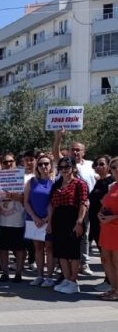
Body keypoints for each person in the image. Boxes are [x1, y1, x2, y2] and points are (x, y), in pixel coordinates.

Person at [52, 129, 95, 273]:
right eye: (72, 149)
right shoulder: (63, 168)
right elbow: (55, 154)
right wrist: (58, 138)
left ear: (84, 152)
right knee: (64, 242)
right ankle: (64, 271)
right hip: (62, 212)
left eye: (78, 150)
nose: (75, 152)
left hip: (83, 208)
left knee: (83, 236)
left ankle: (84, 263)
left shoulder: (90, 165)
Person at [47, 156, 89, 294]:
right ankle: (66, 279)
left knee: (73, 253)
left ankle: (73, 281)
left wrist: (79, 222)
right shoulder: (56, 184)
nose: (64, 170)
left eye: (67, 167)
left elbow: (83, 204)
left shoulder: (79, 184)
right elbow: (52, 205)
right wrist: (49, 223)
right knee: (61, 252)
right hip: (58, 220)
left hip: (72, 219)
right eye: (61, 167)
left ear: (73, 168)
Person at [23, 153, 55, 288]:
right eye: (40, 164)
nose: (43, 166)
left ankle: (49, 277)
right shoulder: (31, 182)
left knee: (49, 248)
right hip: (33, 220)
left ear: (51, 166)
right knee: (38, 248)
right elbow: (26, 202)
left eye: (46, 164)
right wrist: (35, 217)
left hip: (49, 220)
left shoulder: (55, 182)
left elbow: (55, 203)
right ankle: (40, 275)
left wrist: (48, 219)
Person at [0, 153, 27, 283]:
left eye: (10, 162)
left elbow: (27, 199)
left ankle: (18, 273)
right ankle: (5, 272)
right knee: (3, 248)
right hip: (1, 219)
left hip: (18, 219)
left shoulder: (22, 178)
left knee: (19, 249)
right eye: (5, 162)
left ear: (15, 163)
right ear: (1, 164)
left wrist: (17, 197)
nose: (8, 164)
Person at [88, 155, 115, 293]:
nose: (98, 166)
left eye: (102, 164)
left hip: (107, 224)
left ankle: (112, 282)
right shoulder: (99, 182)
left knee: (110, 256)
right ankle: (109, 280)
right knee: (103, 255)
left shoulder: (111, 182)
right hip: (95, 223)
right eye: (96, 164)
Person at [97, 156, 118, 301]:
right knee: (106, 260)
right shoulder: (112, 186)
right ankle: (114, 288)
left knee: (117, 261)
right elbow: (106, 205)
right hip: (106, 227)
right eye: (113, 167)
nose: (116, 170)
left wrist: (114, 217)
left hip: (116, 227)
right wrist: (100, 213)